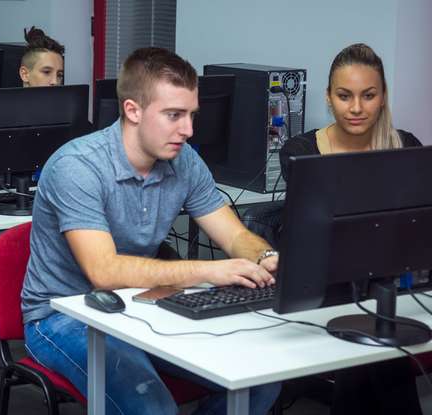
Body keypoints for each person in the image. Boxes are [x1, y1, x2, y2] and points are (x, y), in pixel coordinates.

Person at [21, 47, 282, 415]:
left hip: (143, 303)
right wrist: (209, 269)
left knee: (260, 379)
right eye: (173, 115)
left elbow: (234, 235)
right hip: (64, 315)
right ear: (133, 110)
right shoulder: (77, 166)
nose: (188, 130)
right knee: (151, 406)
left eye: (191, 115)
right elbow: (105, 271)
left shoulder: (184, 158)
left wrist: (265, 256)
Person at [280, 43, 423, 415]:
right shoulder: (302, 151)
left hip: (392, 288)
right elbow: (317, 235)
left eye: (368, 95)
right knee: (377, 361)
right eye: (345, 96)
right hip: (325, 291)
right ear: (328, 98)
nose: (356, 108)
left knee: (373, 360)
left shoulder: (404, 147)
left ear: (383, 97)